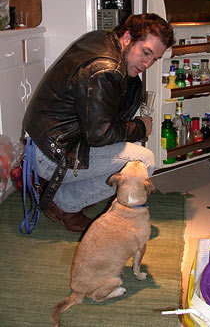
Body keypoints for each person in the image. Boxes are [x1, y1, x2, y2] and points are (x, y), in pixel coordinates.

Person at [23, 13, 175, 234]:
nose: (148, 63)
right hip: (51, 156)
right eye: (146, 52)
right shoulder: (107, 68)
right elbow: (99, 136)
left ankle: (60, 191)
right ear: (127, 37)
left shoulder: (100, 40)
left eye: (154, 59)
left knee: (125, 147)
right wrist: (141, 128)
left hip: (41, 142)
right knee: (143, 160)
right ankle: (64, 203)